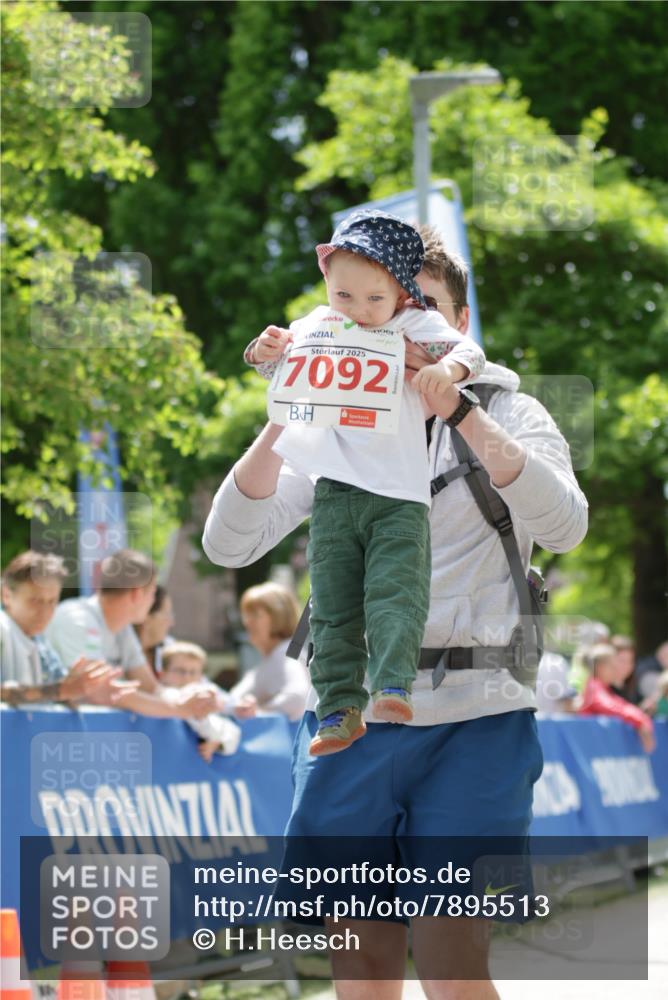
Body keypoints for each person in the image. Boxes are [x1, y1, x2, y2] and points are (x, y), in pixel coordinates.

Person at [203, 223, 588, 997]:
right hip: (355, 725)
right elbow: (228, 544)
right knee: (361, 963)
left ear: (455, 325)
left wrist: (462, 413)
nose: (391, 334)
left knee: (450, 962)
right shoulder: (334, 416)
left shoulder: (513, 410)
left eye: (419, 312)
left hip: (476, 719)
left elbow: (565, 527)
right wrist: (289, 408)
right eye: (378, 313)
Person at [245, 211, 485, 753]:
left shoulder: (412, 326)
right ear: (328, 282)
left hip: (399, 492)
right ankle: (337, 709)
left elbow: (470, 352)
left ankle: (394, 683)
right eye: (344, 295)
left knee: (393, 592)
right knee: (331, 605)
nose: (358, 310)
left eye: (375, 299)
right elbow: (278, 368)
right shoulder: (316, 323)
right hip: (333, 488)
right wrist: (264, 352)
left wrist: (445, 371)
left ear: (401, 295)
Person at [46, 548, 217, 721]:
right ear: (137, 593)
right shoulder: (76, 620)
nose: (152, 602)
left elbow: (150, 687)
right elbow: (98, 691)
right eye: (151, 594)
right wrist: (178, 708)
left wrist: (187, 698)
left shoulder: (122, 627)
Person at [1, 550, 137, 706]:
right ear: (6, 595)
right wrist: (63, 690)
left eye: (52, 601)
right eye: (35, 601)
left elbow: (60, 690)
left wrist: (83, 689)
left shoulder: (41, 643)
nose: (45, 611)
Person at [230, 582, 309, 723]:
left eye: (255, 615)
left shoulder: (285, 655)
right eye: (246, 615)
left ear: (279, 617)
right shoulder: (276, 656)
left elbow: (297, 698)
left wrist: (258, 713)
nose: (247, 622)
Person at [159, 641, 244, 762]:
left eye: (193, 672)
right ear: (162, 674)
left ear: (201, 677)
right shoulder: (160, 696)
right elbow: (172, 699)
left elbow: (232, 732)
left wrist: (217, 742)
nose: (187, 677)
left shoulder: (203, 700)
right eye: (180, 670)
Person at [578, 643, 655, 753]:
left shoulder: (604, 689)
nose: (616, 671)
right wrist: (640, 722)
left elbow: (623, 706)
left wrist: (642, 720)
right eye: (613, 666)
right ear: (600, 667)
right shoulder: (594, 687)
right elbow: (611, 707)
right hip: (591, 750)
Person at [134, 584, 175, 674]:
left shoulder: (169, 650)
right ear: (146, 617)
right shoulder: (120, 651)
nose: (171, 623)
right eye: (167, 614)